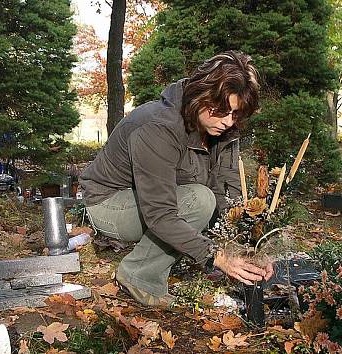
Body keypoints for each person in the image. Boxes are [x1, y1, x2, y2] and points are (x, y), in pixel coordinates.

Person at [79, 51, 273, 307]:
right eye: (222, 111)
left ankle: (172, 257)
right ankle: (138, 275)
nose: (228, 121)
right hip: (109, 204)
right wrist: (216, 255)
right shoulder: (158, 127)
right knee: (200, 200)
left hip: (161, 199)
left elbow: (229, 198)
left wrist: (245, 249)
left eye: (235, 114)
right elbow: (160, 213)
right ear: (202, 95)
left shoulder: (224, 130)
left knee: (208, 200)